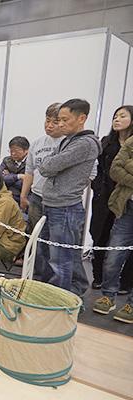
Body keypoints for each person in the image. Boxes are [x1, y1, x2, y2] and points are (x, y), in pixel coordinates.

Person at [36, 99, 101, 296]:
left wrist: (50, 164)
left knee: (60, 259)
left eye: (65, 119)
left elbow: (47, 166)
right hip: (53, 203)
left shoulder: (85, 144)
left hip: (65, 207)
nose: (60, 124)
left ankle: (58, 299)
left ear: (82, 118)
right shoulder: (68, 140)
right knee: (56, 253)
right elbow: (48, 164)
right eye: (59, 120)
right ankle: (71, 290)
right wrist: (50, 164)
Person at [89, 105, 133, 291]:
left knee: (124, 243)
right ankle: (99, 276)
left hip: (126, 198)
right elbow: (109, 170)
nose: (117, 119)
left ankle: (125, 282)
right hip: (104, 196)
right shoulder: (106, 143)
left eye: (122, 116)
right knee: (100, 235)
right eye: (115, 116)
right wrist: (97, 187)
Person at [92, 134, 133, 323]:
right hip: (127, 207)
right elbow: (115, 169)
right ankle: (108, 296)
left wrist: (129, 166)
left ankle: (131, 305)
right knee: (113, 256)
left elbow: (123, 167)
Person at [20, 103, 63, 232]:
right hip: (36, 196)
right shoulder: (37, 143)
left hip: (58, 200)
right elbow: (29, 172)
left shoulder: (69, 143)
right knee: (35, 233)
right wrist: (23, 195)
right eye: (47, 120)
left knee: (54, 236)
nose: (49, 125)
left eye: (55, 122)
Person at [0, 136, 29, 204]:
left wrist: (9, 176)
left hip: (24, 198)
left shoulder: (31, 163)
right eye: (11, 151)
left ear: (26, 150)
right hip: (6, 195)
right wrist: (18, 176)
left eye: (16, 151)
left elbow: (28, 183)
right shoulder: (7, 160)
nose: (13, 153)